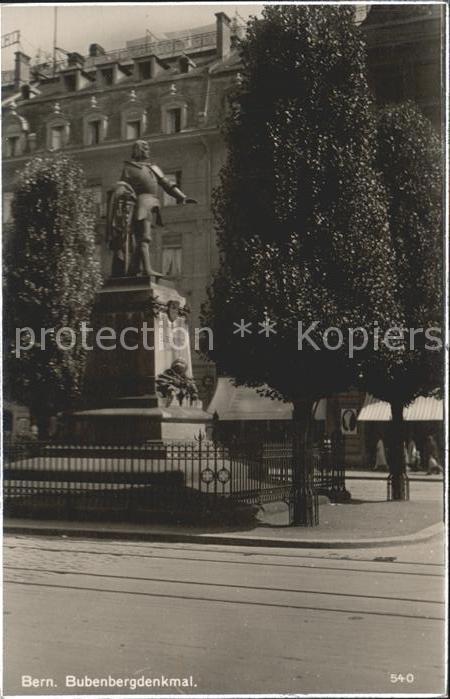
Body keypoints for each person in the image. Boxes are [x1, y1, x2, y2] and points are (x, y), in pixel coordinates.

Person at [107, 140, 196, 277]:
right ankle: (146, 269)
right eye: (145, 148)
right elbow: (123, 188)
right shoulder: (129, 168)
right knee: (143, 237)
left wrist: (181, 197)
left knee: (143, 237)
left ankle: (134, 269)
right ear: (138, 150)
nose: (148, 150)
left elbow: (167, 184)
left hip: (151, 203)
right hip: (139, 204)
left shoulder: (153, 168)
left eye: (148, 148)